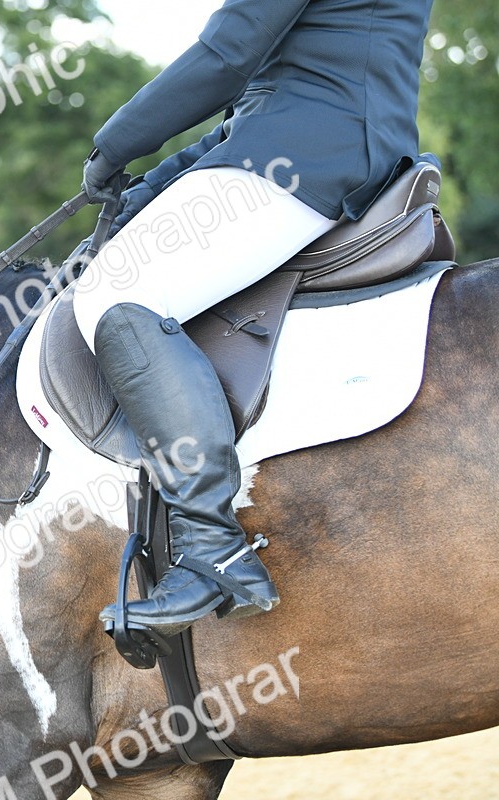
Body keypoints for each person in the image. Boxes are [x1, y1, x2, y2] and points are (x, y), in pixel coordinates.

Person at [76, 0, 434, 636]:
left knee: (117, 297)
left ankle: (211, 548)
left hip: (308, 153)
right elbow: (258, 98)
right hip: (317, 140)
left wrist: (115, 144)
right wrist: (146, 187)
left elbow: (227, 55)